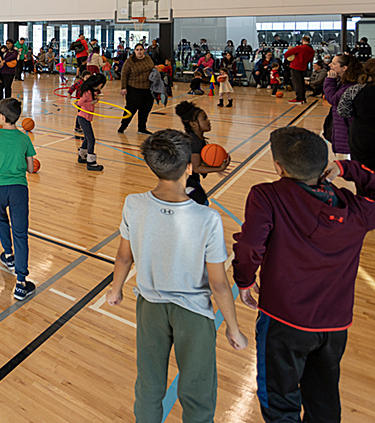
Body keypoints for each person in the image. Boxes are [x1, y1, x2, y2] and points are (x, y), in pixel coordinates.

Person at [233, 127, 375, 422]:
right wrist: (347, 168)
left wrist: (244, 280)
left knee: (279, 399)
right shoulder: (357, 210)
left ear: (278, 167)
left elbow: (249, 246)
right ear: (325, 166)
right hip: (335, 325)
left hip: (284, 320)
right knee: (323, 398)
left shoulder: (267, 195)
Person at [106, 129, 248, 423]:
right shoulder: (207, 218)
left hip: (149, 308)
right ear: (189, 168)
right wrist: (233, 328)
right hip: (194, 314)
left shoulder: (134, 203)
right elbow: (219, 283)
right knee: (198, 392)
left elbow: (123, 256)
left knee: (149, 385)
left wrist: (116, 289)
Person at [0, 98, 37, 300]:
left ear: (2, 116)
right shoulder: (25, 138)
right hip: (18, 189)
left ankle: (8, 255)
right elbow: (31, 169)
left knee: (0, 218)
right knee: (21, 233)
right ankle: (21, 283)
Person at [175, 101, 230, 205]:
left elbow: (198, 162)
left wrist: (214, 164)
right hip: (184, 181)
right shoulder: (194, 142)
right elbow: (196, 167)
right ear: (193, 124)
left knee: (201, 204)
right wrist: (219, 168)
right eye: (204, 119)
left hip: (187, 179)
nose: (208, 121)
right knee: (203, 204)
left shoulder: (197, 139)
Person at [324, 54, 364, 159]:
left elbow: (333, 99)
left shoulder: (350, 86)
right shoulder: (346, 82)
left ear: (344, 68)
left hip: (348, 129)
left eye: (334, 63)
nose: (330, 65)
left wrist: (330, 81)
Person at [338, 59, 375, 171]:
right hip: (363, 131)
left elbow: (343, 111)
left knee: (361, 172)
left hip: (360, 133)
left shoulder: (355, 89)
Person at [118, 44, 155, 135]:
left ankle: (142, 128)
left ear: (144, 50)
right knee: (131, 109)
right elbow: (124, 74)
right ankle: (123, 126)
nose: (139, 51)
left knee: (145, 109)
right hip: (134, 89)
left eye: (141, 49)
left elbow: (153, 70)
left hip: (148, 89)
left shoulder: (148, 59)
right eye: (137, 49)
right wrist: (123, 87)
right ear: (134, 51)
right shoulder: (130, 61)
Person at [76, 74, 106, 171]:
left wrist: (95, 98)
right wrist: (92, 102)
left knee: (87, 138)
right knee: (91, 139)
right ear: (99, 84)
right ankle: (91, 162)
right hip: (83, 118)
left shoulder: (92, 92)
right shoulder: (88, 92)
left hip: (86, 118)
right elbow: (80, 103)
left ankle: (82, 156)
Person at [283, 35, 315, 105]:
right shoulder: (312, 51)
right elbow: (311, 60)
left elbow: (286, 54)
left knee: (297, 83)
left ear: (302, 40)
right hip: (304, 67)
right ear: (309, 41)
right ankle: (302, 98)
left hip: (295, 66)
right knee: (301, 83)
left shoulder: (300, 48)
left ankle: (299, 98)